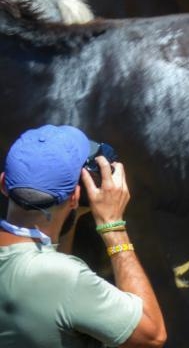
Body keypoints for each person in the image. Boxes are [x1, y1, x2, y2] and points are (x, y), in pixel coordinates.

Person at [0, 125, 166, 348]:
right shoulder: (64, 278)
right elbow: (152, 335)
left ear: (3, 184)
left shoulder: (43, 271)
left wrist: (71, 215)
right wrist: (113, 226)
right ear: (75, 196)